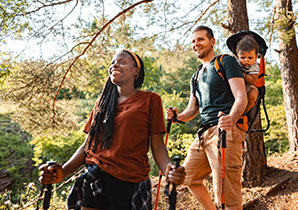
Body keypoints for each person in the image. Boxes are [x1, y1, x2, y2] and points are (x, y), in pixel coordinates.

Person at [39, 49, 185, 210]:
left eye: (122, 61)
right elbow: (88, 145)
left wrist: (168, 169)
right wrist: (63, 171)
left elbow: (157, 145)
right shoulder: (102, 104)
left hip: (128, 184)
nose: (115, 64)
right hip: (95, 180)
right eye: (112, 62)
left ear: (136, 71)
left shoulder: (150, 100)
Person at [166, 26, 247, 210]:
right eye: (193, 41)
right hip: (203, 134)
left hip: (225, 131)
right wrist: (176, 117)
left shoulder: (225, 62)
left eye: (200, 39)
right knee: (189, 178)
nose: (196, 44)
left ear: (212, 42)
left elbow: (241, 96)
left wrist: (231, 119)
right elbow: (191, 110)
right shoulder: (195, 76)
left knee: (226, 193)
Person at [234, 36, 260, 113]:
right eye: (243, 58)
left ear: (255, 57)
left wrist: (243, 74)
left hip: (247, 87)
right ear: (238, 56)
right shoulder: (235, 62)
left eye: (250, 58)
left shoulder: (254, 67)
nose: (246, 60)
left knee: (253, 94)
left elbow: (252, 79)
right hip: (235, 88)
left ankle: (243, 113)